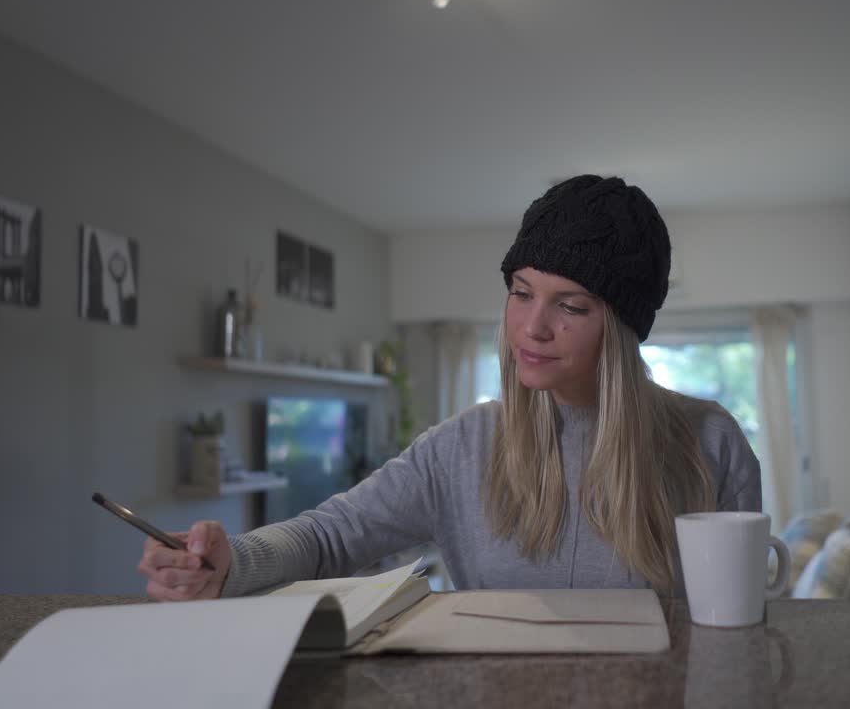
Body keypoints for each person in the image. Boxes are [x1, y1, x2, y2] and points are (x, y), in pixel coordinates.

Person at [138, 175, 762, 601]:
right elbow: (329, 536)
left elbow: (738, 623)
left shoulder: (710, 445)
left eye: (570, 305)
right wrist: (231, 562)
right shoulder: (461, 448)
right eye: (520, 293)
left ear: (623, 329)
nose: (532, 327)